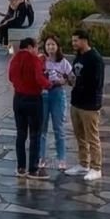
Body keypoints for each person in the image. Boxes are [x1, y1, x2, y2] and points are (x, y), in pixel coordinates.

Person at [8, 37, 51, 179]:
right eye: (36, 48)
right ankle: (33, 169)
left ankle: (20, 168)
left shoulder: (14, 59)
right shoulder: (34, 60)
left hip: (18, 99)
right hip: (33, 100)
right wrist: (50, 84)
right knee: (35, 134)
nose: (37, 51)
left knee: (21, 134)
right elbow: (39, 79)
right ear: (30, 47)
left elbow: (10, 77)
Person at [66, 29, 105, 181]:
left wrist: (82, 86)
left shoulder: (95, 59)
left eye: (76, 40)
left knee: (92, 138)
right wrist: (70, 80)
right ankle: (83, 164)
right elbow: (75, 76)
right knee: (80, 136)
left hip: (89, 105)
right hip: (76, 103)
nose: (73, 43)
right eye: (73, 40)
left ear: (84, 40)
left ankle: (96, 168)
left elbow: (97, 83)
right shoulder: (79, 56)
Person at [38, 37, 71, 171]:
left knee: (59, 127)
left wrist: (63, 81)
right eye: (48, 44)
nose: (50, 47)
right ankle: (41, 157)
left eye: (53, 44)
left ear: (57, 46)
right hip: (43, 95)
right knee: (42, 128)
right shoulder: (41, 60)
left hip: (57, 94)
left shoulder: (63, 62)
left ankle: (61, 158)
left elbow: (71, 77)